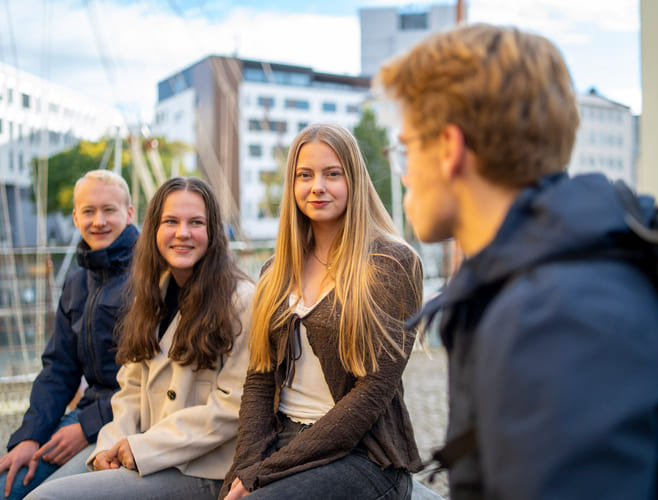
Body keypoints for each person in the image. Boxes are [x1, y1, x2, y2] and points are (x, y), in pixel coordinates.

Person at [374, 22, 658, 500]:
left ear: (449, 148)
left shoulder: (552, 317)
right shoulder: (553, 276)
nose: (403, 173)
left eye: (406, 147)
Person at [219, 123, 423, 500]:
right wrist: (246, 467)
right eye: (305, 175)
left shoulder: (391, 264)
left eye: (333, 174)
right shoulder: (275, 272)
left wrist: (265, 472)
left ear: (354, 181)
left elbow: (373, 392)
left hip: (364, 456)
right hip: (281, 441)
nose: (317, 187)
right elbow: (260, 379)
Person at [26, 177, 254, 500]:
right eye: (170, 221)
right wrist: (109, 446)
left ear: (213, 231)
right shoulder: (151, 293)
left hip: (202, 468)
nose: (182, 233)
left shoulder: (241, 300)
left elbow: (233, 407)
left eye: (196, 223)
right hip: (144, 455)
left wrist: (142, 447)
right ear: (154, 230)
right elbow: (130, 388)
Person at [0, 170, 138, 499]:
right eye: (88, 211)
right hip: (88, 414)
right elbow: (58, 369)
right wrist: (30, 436)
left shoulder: (150, 276)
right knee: (8, 483)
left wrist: (87, 426)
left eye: (109, 210)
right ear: (76, 217)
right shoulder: (77, 281)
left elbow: (153, 381)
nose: (99, 221)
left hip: (128, 419)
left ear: (129, 213)